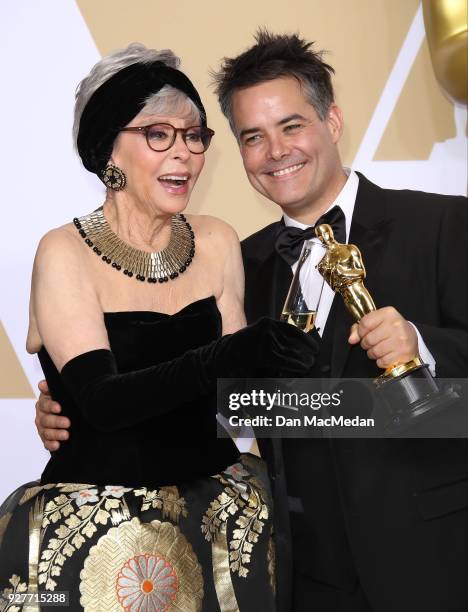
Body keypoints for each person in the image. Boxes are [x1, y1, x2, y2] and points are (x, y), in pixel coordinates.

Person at [36, 31, 468, 611]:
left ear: (332, 121)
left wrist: (424, 348)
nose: (276, 151)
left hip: (429, 559)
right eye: (252, 137)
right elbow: (239, 404)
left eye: (292, 126)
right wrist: (75, 405)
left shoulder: (442, 226)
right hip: (296, 572)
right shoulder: (244, 257)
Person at [0, 42, 319, 610]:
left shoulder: (218, 240)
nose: (185, 154)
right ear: (107, 151)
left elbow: (234, 408)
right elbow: (104, 403)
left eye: (195, 135)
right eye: (158, 134)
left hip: (220, 524)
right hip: (101, 533)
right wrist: (227, 355)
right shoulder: (63, 252)